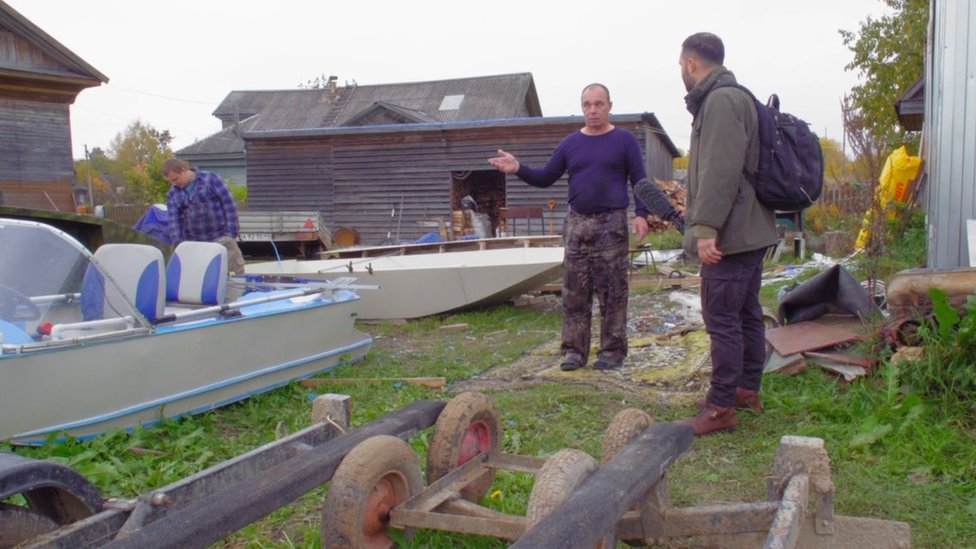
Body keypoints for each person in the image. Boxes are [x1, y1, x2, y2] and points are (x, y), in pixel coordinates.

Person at [489, 83, 682, 372]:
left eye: (599, 104)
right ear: (582, 108)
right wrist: (518, 168)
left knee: (613, 292)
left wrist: (641, 214)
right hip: (577, 226)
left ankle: (612, 352)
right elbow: (545, 177)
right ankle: (574, 352)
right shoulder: (570, 144)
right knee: (574, 293)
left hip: (612, 225)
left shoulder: (625, 140)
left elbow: (639, 180)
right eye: (587, 105)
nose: (593, 110)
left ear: (609, 106)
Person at [673, 32, 778, 436]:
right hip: (751, 229)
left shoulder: (718, 102)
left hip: (731, 234)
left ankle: (720, 407)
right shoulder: (740, 97)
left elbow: (719, 171)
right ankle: (745, 390)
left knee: (721, 319)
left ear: (691, 63)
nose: (680, 70)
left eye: (680, 64)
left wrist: (704, 228)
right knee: (747, 313)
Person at [163, 158, 247, 274]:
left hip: (222, 239)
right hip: (195, 245)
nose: (174, 183)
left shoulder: (211, 179)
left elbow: (229, 205)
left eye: (175, 179)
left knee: (235, 275)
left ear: (183, 170)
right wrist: (179, 244)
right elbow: (174, 221)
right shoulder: (173, 193)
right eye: (171, 182)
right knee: (202, 277)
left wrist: (230, 233)